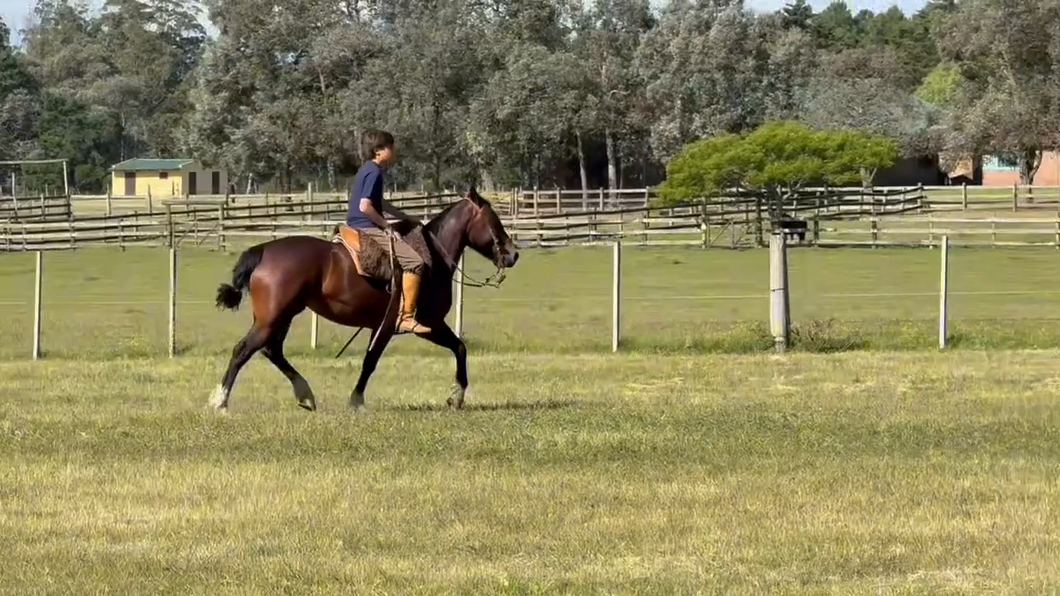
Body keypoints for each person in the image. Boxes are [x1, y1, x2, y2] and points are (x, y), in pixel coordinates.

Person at [346, 129, 431, 335]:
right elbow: (366, 206)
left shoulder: (367, 169)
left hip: (355, 223)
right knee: (415, 262)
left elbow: (379, 202)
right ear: (378, 151)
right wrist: (387, 226)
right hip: (366, 225)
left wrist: (405, 217)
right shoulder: (374, 172)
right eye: (390, 146)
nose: (394, 150)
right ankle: (406, 317)